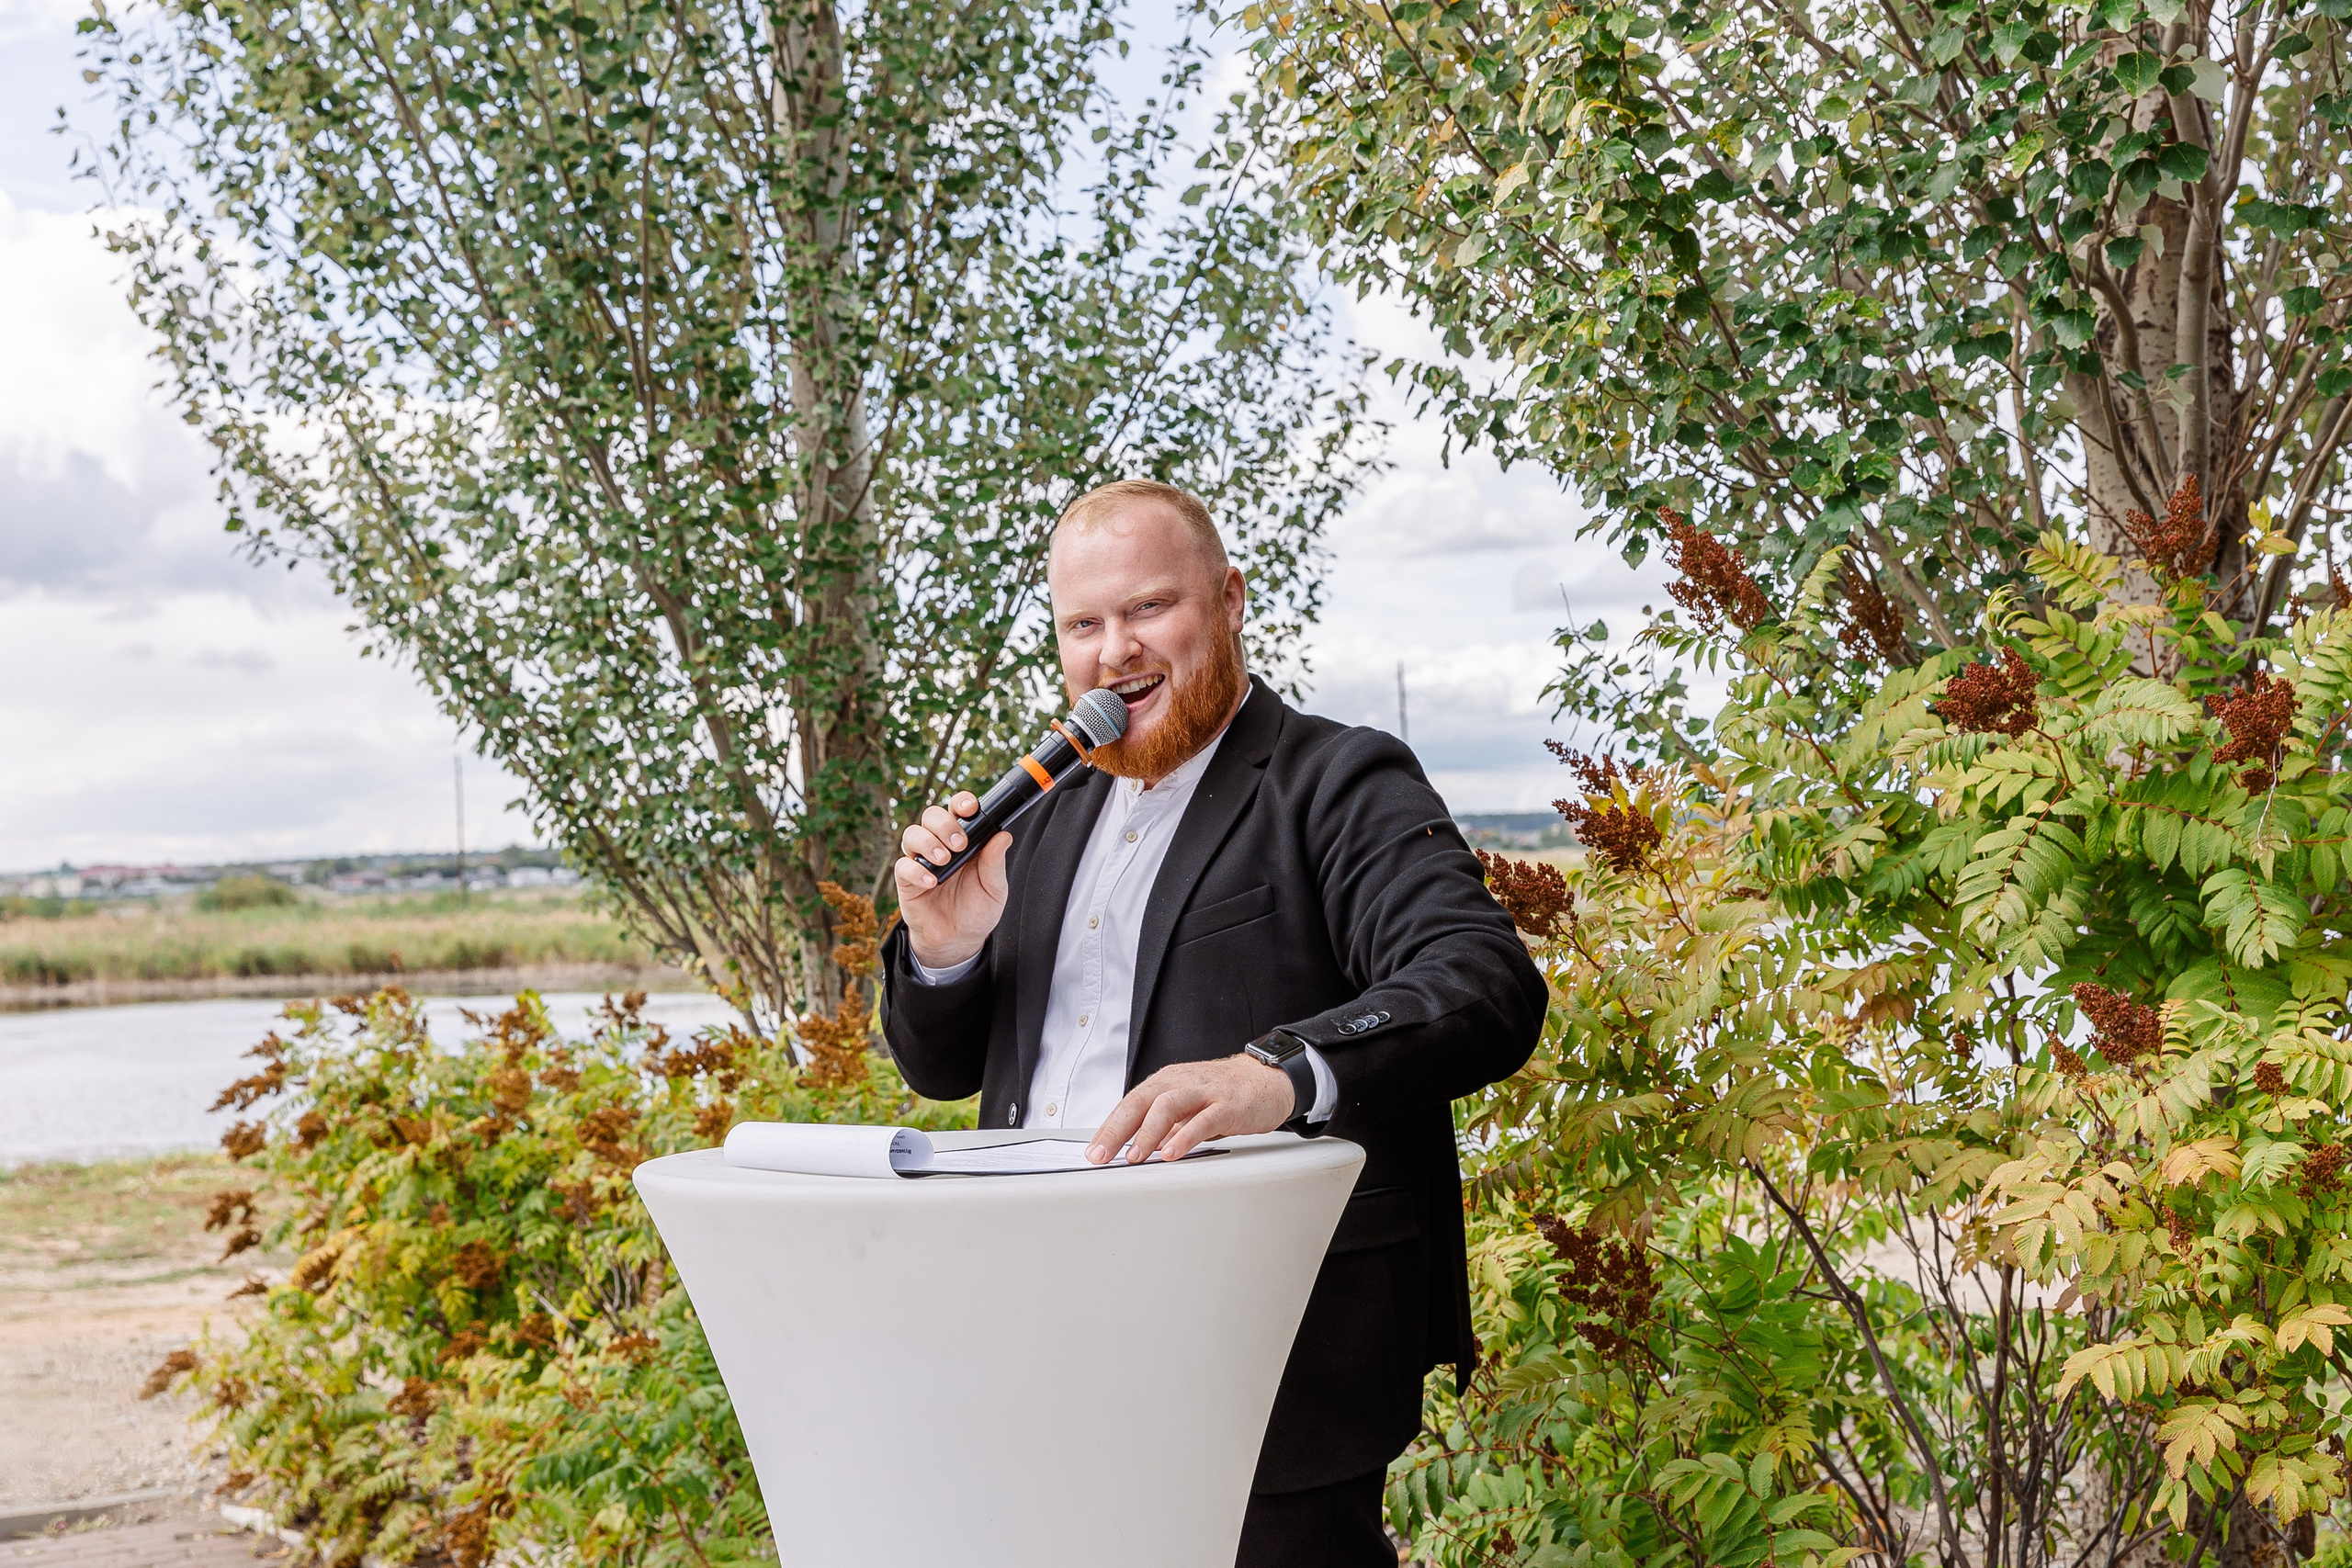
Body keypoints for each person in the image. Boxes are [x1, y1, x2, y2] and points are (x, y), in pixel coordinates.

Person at [880, 479, 1545, 1566]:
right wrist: (944, 949)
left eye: (1147, 610)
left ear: (1229, 599)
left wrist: (1277, 1073)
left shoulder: (1337, 778)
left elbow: (1480, 981)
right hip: (1029, 1340)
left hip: (1265, 1358)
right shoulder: (1037, 824)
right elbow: (938, 1070)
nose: (1112, 651)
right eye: (1082, 625)